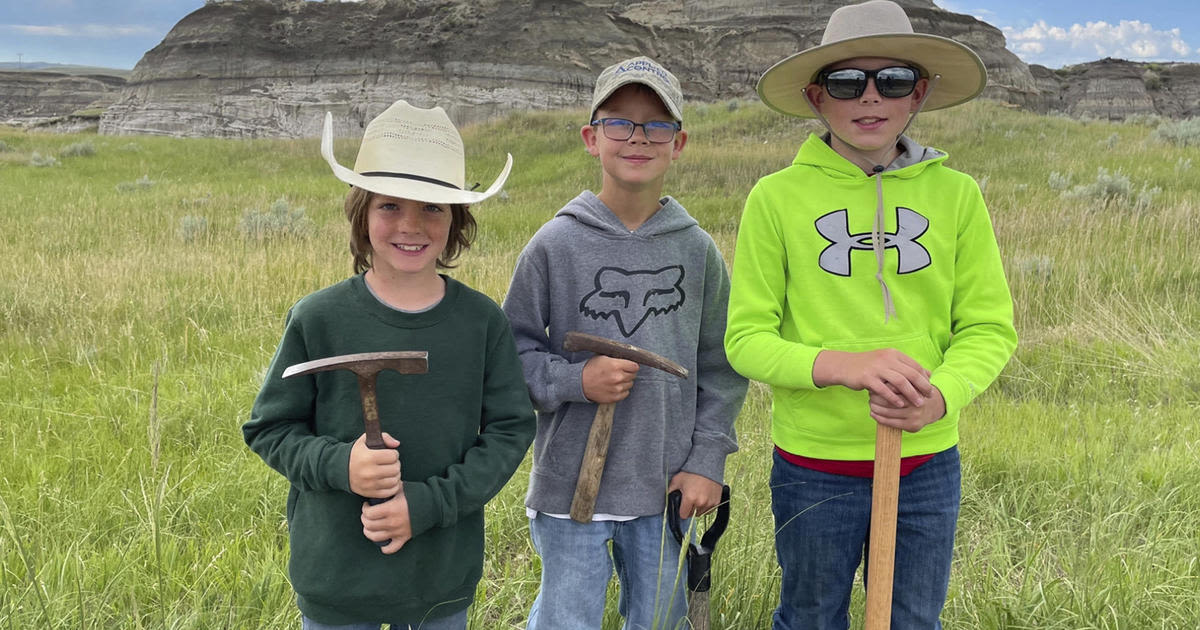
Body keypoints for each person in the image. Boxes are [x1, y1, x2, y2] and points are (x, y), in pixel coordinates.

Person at [724, 1, 1018, 628]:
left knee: (914, 619)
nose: (870, 97)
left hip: (927, 461)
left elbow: (989, 327)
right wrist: (844, 366)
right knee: (810, 617)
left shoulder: (957, 196)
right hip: (813, 465)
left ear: (920, 94)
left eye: (892, 81)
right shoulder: (776, 199)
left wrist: (939, 396)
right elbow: (746, 339)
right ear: (815, 97)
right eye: (845, 81)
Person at [243, 100, 536, 630]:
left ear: (457, 219)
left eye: (433, 208)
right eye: (389, 206)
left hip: (439, 575)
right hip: (338, 577)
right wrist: (341, 466)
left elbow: (511, 429)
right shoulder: (319, 318)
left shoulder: (479, 322)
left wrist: (426, 505)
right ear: (361, 212)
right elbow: (269, 429)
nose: (411, 224)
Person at [502, 56, 748, 630]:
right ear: (592, 137)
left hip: (665, 487)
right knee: (569, 618)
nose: (638, 138)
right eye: (620, 123)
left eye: (657, 126)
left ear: (678, 143)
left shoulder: (697, 251)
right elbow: (510, 355)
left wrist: (707, 460)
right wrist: (574, 380)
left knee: (660, 617)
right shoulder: (554, 244)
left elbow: (722, 367)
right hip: (571, 486)